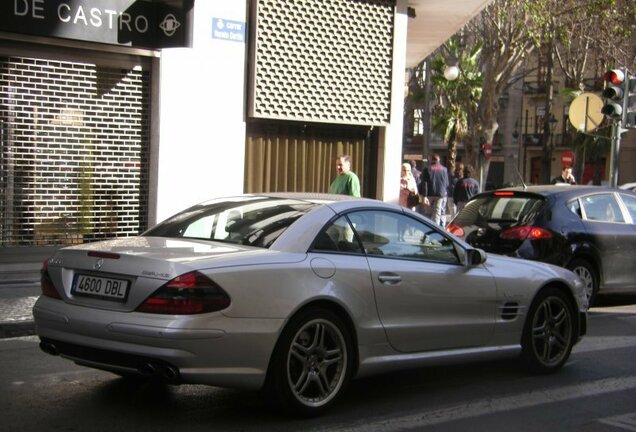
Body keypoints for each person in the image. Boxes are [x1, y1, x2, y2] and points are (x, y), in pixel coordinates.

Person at [420, 153, 450, 226]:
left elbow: (424, 183)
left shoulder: (427, 169)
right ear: (439, 160)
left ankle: (427, 227)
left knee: (428, 213)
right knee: (437, 212)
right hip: (440, 194)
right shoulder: (444, 169)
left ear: (431, 160)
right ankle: (436, 228)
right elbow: (447, 183)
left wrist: (424, 196)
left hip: (429, 194)